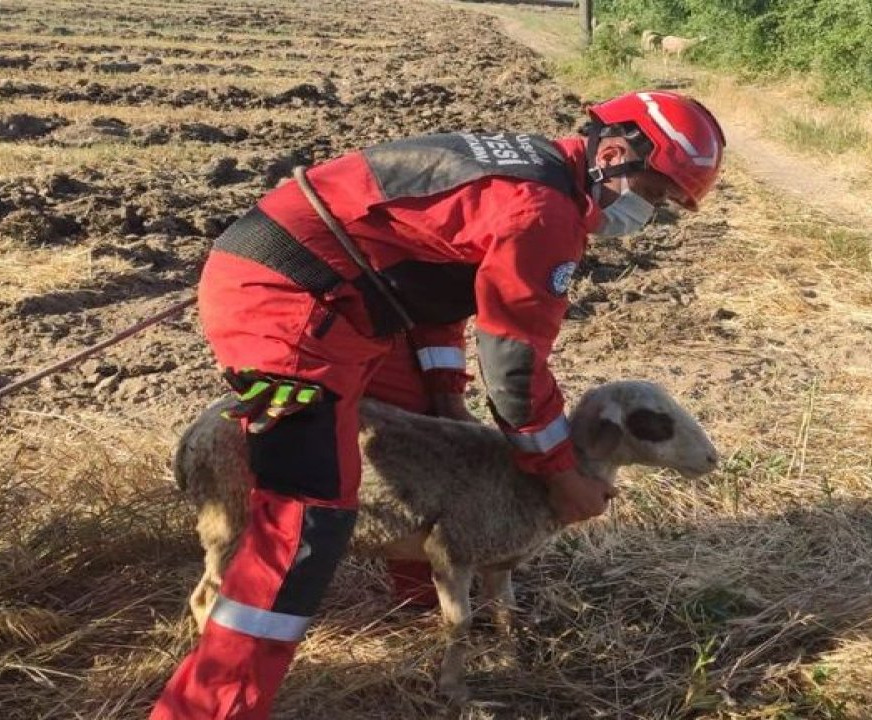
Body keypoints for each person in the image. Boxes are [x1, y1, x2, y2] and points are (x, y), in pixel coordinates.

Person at [150, 90, 726, 720]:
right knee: (304, 525)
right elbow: (514, 363)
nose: (651, 211)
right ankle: (208, 706)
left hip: (352, 299)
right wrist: (561, 476)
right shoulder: (543, 211)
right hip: (287, 302)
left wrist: (447, 397)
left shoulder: (535, 173)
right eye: (654, 191)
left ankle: (420, 604)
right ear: (613, 154)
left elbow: (434, 284)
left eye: (667, 205)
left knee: (426, 426)